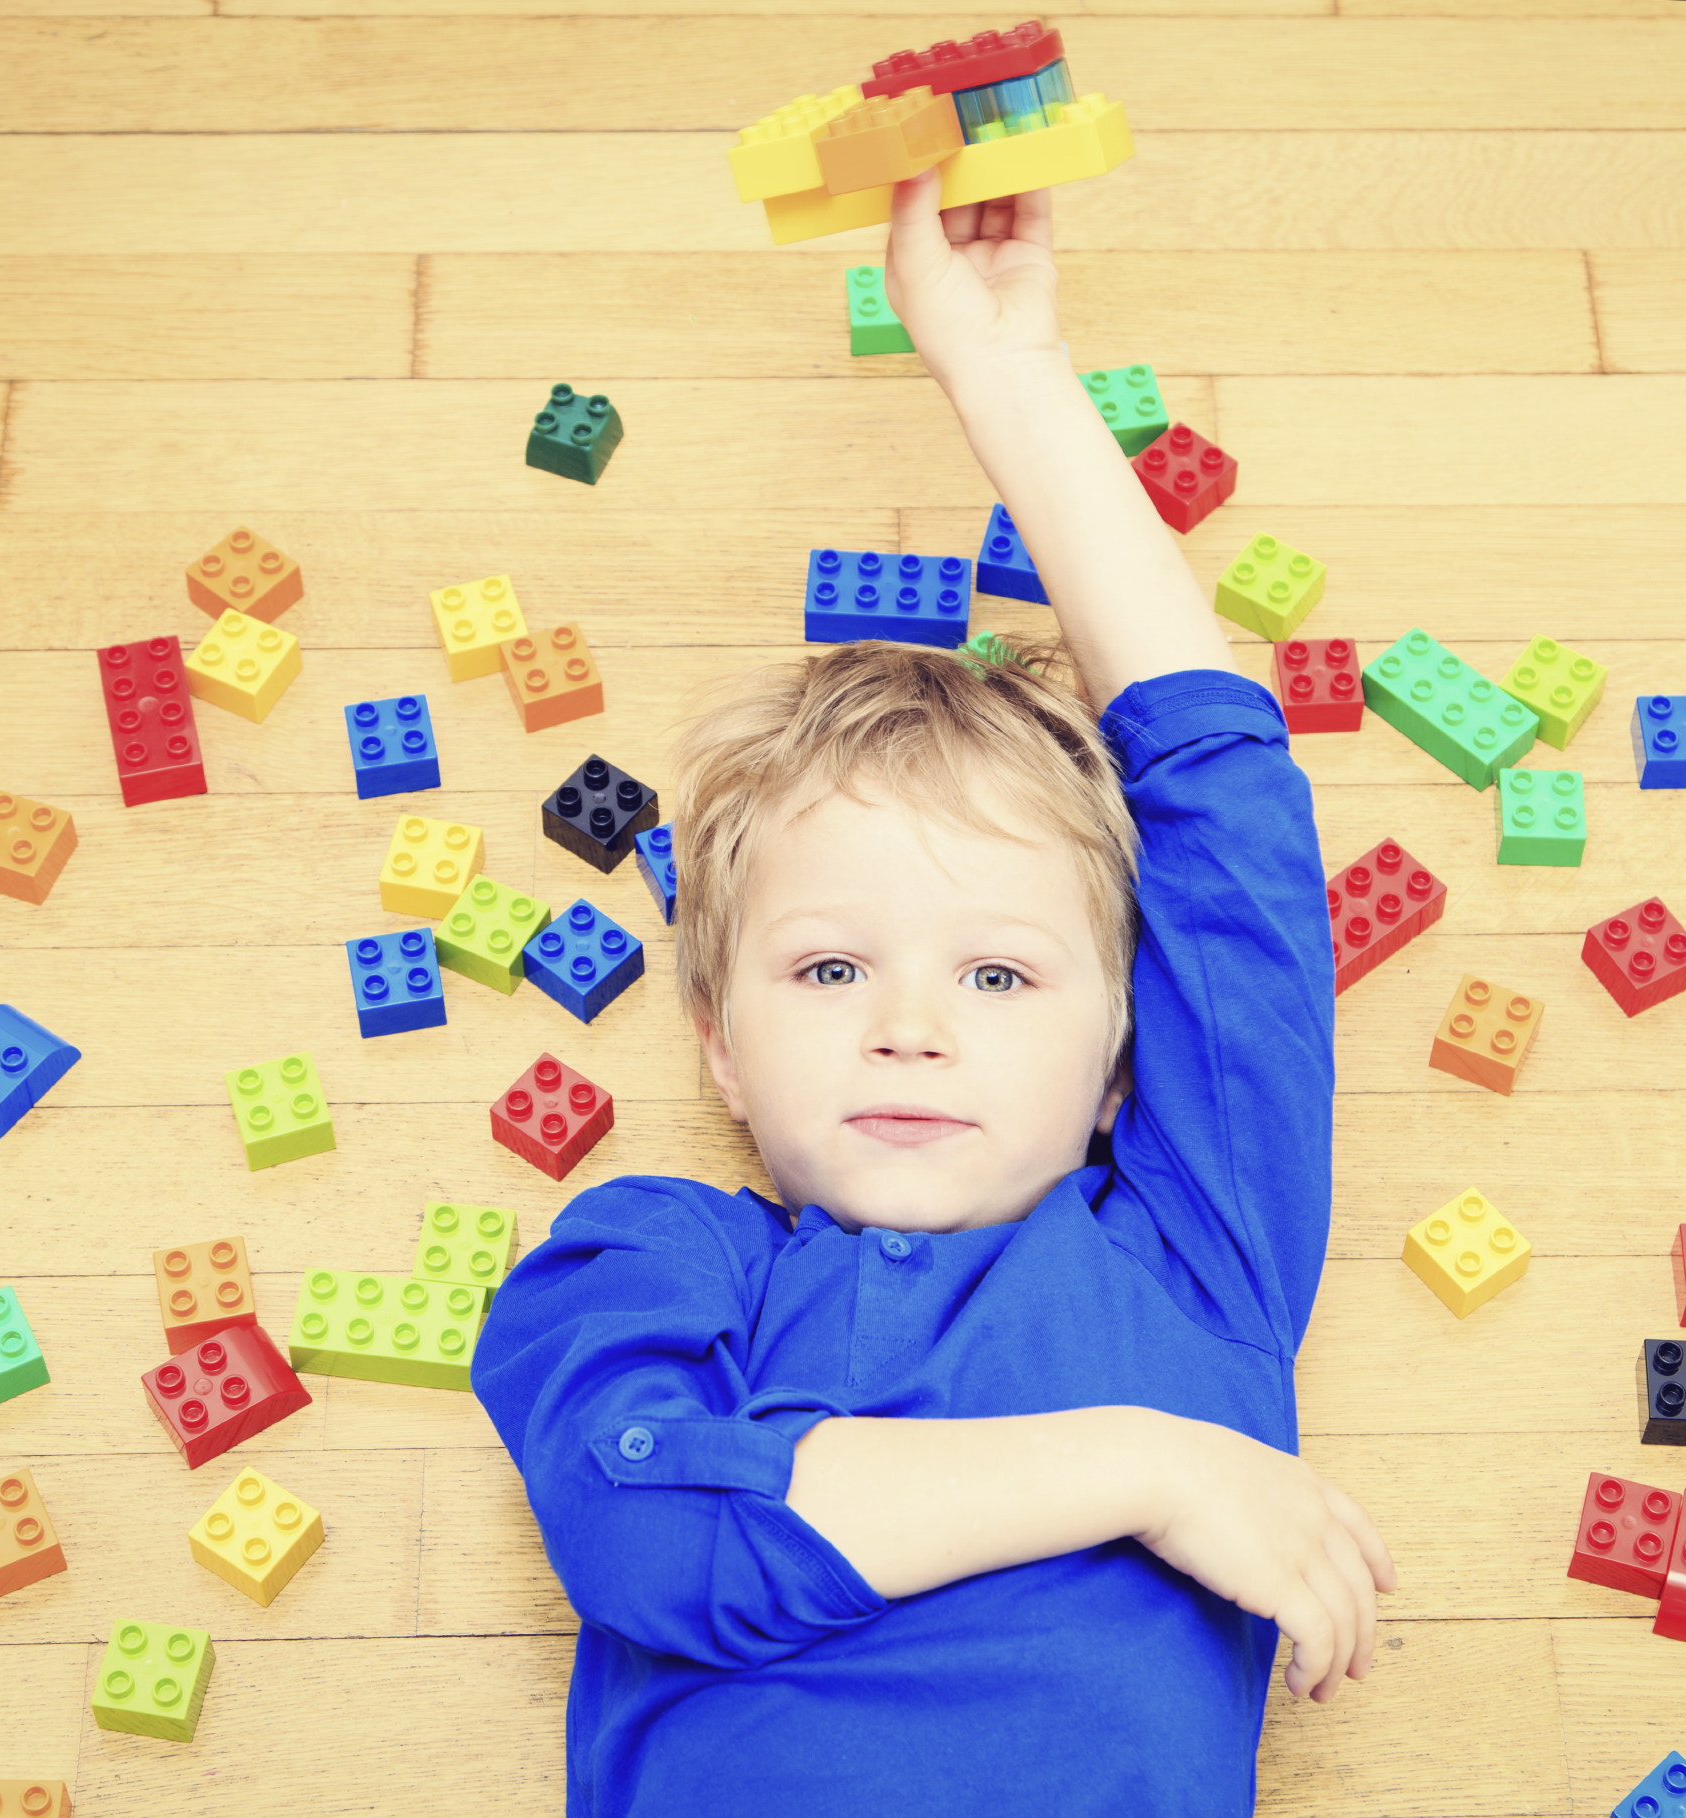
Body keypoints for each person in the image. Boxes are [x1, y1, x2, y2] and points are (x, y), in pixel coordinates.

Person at [472, 165, 1395, 1816]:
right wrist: (1148, 1466)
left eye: (996, 969)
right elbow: (651, 1526)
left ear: (1125, 1047)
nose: (912, 1022)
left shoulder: (1201, 1245)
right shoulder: (655, 1255)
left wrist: (1007, 367)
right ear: (723, 1051)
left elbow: (1225, 805)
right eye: (831, 966)